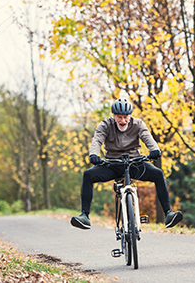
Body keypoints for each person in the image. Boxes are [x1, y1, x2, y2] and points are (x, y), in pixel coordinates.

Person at [71, 98, 183, 230]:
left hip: (134, 163)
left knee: (158, 173)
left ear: (130, 116)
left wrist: (155, 150)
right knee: (88, 174)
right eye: (119, 117)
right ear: (113, 116)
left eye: (126, 117)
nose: (123, 120)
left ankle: (168, 213)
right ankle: (85, 215)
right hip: (112, 164)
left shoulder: (138, 124)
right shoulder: (105, 125)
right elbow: (97, 140)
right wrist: (93, 155)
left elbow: (147, 137)